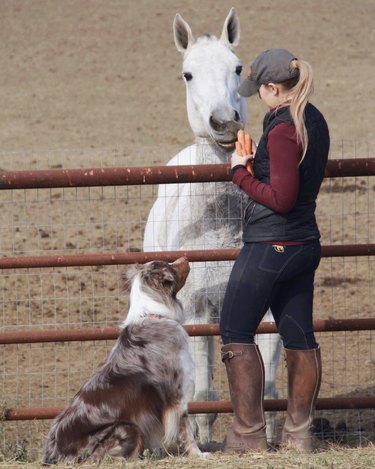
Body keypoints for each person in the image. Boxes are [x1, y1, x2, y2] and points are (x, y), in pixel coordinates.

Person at [219, 48, 330, 453]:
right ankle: (298, 436)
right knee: (299, 337)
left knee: (234, 330)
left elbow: (281, 198)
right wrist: (258, 168)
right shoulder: (313, 119)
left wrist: (238, 173)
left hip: (271, 244)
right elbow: (294, 182)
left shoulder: (283, 129)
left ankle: (248, 436)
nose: (257, 99)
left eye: (259, 91)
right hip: (304, 244)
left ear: (272, 88)